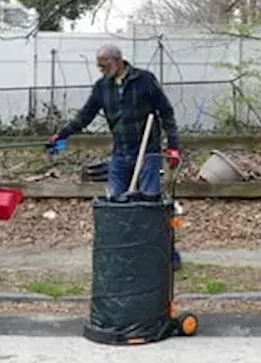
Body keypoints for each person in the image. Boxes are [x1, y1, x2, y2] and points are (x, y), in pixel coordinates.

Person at [49, 44, 183, 266]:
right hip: (121, 153)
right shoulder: (102, 87)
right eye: (99, 67)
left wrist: (173, 145)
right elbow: (85, 116)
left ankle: (167, 255)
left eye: (104, 65)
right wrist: (62, 135)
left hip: (147, 153)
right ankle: (121, 254)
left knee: (152, 206)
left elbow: (166, 112)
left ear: (117, 61)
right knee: (114, 206)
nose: (101, 70)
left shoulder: (144, 80)